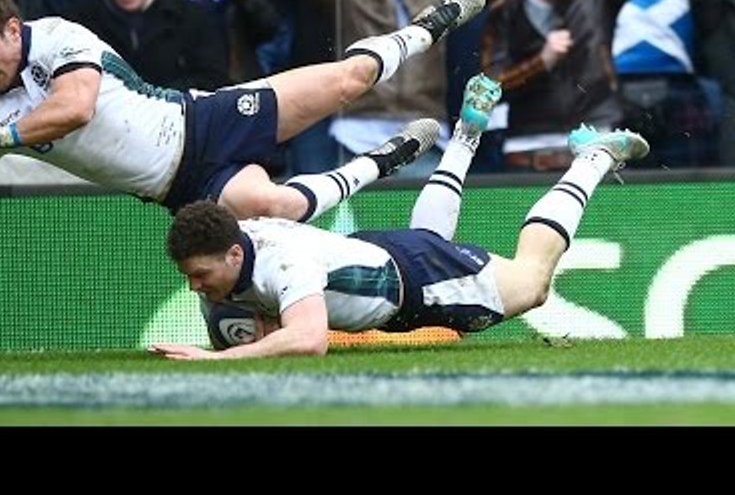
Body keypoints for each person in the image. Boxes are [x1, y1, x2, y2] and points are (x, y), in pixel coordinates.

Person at [0, 0, 484, 324]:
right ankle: (380, 161)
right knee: (277, 206)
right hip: (180, 187)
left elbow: (78, 105)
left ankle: (423, 28)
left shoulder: (57, 36)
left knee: (349, 81)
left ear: (13, 29)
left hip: (204, 119)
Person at [152, 74, 650, 359]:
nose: (195, 286)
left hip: (412, 281)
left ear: (235, 252)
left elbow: (308, 340)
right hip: (382, 258)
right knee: (426, 239)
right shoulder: (237, 249)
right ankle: (466, 136)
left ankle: (593, 157)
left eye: (199, 275)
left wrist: (216, 358)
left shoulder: (283, 263)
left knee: (532, 281)